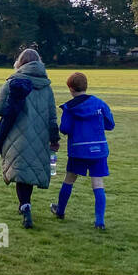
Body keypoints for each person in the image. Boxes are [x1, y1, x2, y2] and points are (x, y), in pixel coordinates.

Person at [0, 48, 58, 229]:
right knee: (30, 168)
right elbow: (52, 116)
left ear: (20, 62)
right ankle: (26, 205)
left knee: (21, 169)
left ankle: (24, 206)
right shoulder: (46, 85)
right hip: (40, 135)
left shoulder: (13, 82)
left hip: (16, 133)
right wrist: (54, 138)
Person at [50, 71, 115, 231]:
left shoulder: (70, 108)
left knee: (69, 179)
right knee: (98, 183)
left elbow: (64, 128)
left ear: (71, 89)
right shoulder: (99, 103)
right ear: (86, 86)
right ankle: (100, 221)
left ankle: (60, 211)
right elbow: (110, 124)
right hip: (99, 149)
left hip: (79, 150)